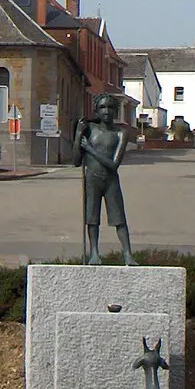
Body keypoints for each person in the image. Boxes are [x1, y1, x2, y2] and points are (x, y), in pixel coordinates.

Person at [78, 94, 134, 265]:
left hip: (110, 180)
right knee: (92, 217)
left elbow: (113, 164)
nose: (107, 111)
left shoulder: (120, 133)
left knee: (119, 218)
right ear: (96, 110)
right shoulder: (90, 130)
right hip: (92, 178)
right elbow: (75, 160)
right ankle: (94, 252)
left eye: (110, 107)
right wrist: (78, 135)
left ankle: (127, 254)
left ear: (116, 110)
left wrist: (90, 149)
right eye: (102, 107)